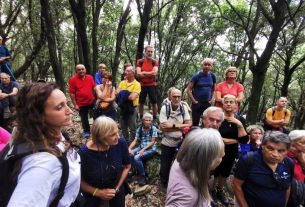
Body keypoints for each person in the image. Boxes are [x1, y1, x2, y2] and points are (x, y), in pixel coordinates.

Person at [7, 82, 80, 206]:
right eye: (59, 107)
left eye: (66, 103)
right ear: (38, 116)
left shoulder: (52, 134)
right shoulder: (42, 163)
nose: (69, 111)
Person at [78, 116, 131, 207]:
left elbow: (127, 166)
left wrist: (117, 188)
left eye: (117, 132)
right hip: (93, 197)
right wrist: (98, 192)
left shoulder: (120, 143)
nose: (117, 137)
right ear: (101, 137)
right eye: (112, 135)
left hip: (117, 192)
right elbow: (79, 181)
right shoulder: (84, 154)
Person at [166, 128, 225, 207]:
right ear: (207, 162)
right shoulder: (187, 196)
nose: (224, 154)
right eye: (220, 156)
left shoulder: (183, 159)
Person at [232, 131, 293, 207]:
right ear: (262, 146)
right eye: (270, 148)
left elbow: (287, 187)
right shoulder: (248, 160)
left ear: (287, 151)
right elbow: (236, 185)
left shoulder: (289, 163)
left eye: (281, 151)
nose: (275, 154)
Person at [211, 94, 248, 206]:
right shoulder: (218, 117)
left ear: (235, 105)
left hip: (231, 152)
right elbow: (214, 135)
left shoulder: (240, 119)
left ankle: (220, 190)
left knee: (225, 172)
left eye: (231, 102)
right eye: (226, 101)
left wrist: (239, 124)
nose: (228, 104)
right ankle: (211, 190)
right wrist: (234, 140)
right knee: (214, 171)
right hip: (216, 149)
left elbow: (244, 140)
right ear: (222, 104)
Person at [159, 88, 192, 187]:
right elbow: (164, 128)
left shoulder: (183, 108)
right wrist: (181, 127)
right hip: (167, 142)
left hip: (180, 142)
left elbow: (189, 124)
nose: (177, 99)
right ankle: (164, 183)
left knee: (179, 164)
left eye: (179, 96)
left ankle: (177, 183)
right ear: (169, 97)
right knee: (165, 165)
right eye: (174, 96)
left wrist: (173, 126)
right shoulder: (165, 108)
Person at [128, 112, 157, 185]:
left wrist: (143, 150)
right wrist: (129, 148)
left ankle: (142, 176)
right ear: (143, 121)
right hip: (141, 147)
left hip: (150, 148)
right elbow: (135, 140)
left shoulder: (153, 129)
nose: (148, 122)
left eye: (149, 120)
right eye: (146, 120)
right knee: (130, 154)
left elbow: (152, 142)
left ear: (151, 121)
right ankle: (132, 171)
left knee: (137, 157)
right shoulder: (140, 129)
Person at [69, 64, 96, 138]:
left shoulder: (90, 77)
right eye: (79, 69)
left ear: (85, 70)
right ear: (76, 71)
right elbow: (72, 93)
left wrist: (97, 97)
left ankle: (97, 128)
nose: (81, 71)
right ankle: (86, 131)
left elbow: (95, 87)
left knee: (97, 113)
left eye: (82, 69)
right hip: (81, 103)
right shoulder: (73, 80)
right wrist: (75, 105)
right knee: (84, 118)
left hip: (91, 100)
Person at [187, 58, 216, 126]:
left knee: (206, 123)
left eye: (209, 65)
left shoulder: (212, 76)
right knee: (195, 123)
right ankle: (194, 136)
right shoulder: (196, 76)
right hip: (197, 103)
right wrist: (194, 101)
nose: (207, 66)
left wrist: (212, 99)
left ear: (212, 66)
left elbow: (214, 89)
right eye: (205, 64)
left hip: (207, 103)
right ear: (202, 65)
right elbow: (188, 89)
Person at [116, 65, 141, 143]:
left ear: (132, 73)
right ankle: (126, 141)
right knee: (123, 126)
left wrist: (122, 93)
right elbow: (116, 93)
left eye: (127, 71)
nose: (125, 72)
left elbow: (132, 97)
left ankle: (131, 142)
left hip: (132, 108)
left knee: (132, 127)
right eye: (125, 71)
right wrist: (127, 93)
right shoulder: (122, 83)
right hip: (122, 108)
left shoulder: (137, 84)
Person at [136, 45, 159, 124]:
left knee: (154, 102)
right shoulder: (140, 61)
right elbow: (138, 74)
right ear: (145, 52)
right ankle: (141, 117)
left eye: (151, 52)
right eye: (148, 51)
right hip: (142, 84)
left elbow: (155, 73)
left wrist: (144, 73)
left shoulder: (154, 61)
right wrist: (150, 74)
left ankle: (155, 118)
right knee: (141, 102)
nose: (150, 53)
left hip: (152, 84)